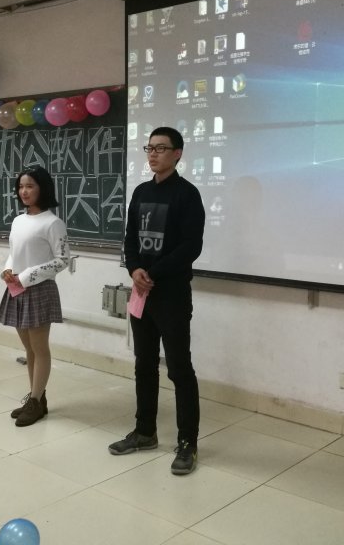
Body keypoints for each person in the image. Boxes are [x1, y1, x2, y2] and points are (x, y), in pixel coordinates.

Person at [108, 126, 205, 475]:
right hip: (142, 293)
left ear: (178, 153)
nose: (153, 154)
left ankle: (187, 443)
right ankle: (145, 432)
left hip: (171, 295)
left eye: (161, 148)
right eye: (149, 148)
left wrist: (153, 273)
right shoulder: (141, 191)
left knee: (179, 369)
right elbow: (130, 237)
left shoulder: (187, 194)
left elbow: (191, 246)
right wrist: (134, 268)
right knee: (144, 364)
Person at [0, 167, 69, 427]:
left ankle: (36, 401)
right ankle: (37, 398)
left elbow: (63, 260)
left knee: (39, 349)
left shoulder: (53, 223)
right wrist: (8, 269)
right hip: (16, 289)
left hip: (39, 289)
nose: (24, 191)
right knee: (29, 349)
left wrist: (26, 275)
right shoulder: (18, 220)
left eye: (30, 186)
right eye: (21, 186)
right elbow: (14, 252)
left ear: (42, 189)